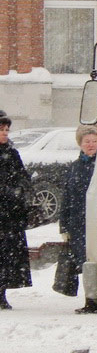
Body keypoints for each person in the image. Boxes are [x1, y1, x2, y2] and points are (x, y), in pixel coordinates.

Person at [58, 124, 97, 313]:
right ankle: (91, 299)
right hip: (79, 224)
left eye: (95, 141)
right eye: (87, 141)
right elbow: (67, 198)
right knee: (86, 262)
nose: (91, 145)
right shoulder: (74, 167)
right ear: (80, 144)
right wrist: (64, 227)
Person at [0, 109, 33, 308]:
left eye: (7, 130)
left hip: (9, 215)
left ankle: (1, 292)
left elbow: (23, 178)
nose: (5, 133)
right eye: (2, 129)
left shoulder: (12, 154)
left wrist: (17, 192)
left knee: (6, 256)